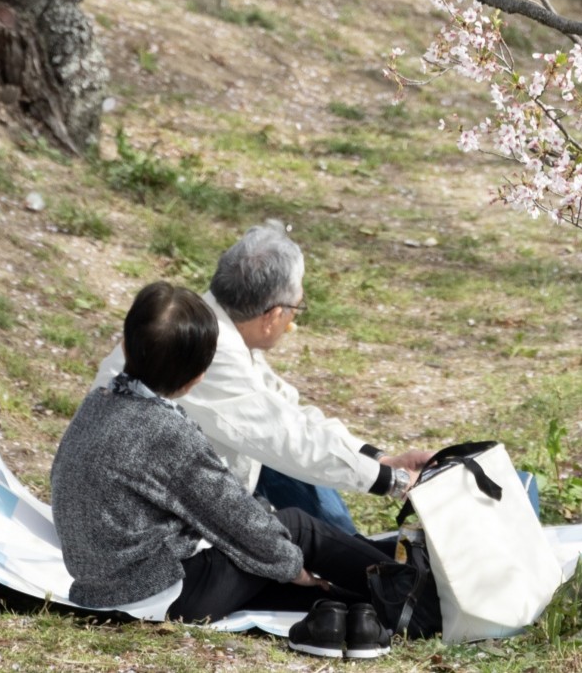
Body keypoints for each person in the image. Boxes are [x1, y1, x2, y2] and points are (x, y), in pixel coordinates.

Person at [52, 281, 396, 655]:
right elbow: (234, 515)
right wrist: (291, 565)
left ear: (124, 343)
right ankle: (414, 595)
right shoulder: (164, 432)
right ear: (197, 377)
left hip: (100, 587)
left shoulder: (98, 403)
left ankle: (363, 612)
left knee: (294, 581)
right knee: (295, 528)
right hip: (163, 591)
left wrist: (282, 569)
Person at [91, 222, 432, 535]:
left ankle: (352, 553)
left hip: (161, 484)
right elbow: (284, 438)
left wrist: (380, 461)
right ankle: (356, 561)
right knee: (295, 465)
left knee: (301, 460)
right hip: (133, 518)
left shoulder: (215, 319)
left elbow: (286, 413)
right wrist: (392, 481)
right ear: (272, 316)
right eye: (295, 309)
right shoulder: (209, 348)